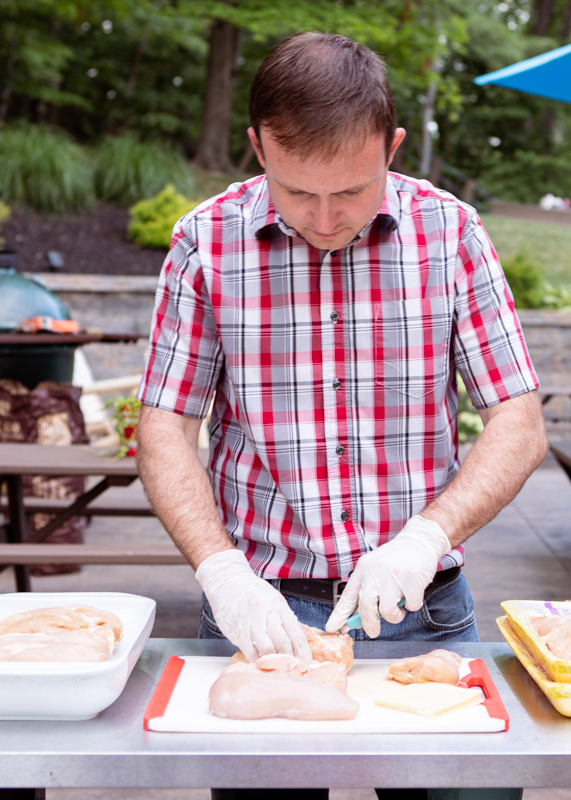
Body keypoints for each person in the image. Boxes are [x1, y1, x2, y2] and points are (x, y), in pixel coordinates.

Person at [135, 31, 546, 799]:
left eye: (352, 191)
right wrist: (222, 572)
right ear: (258, 146)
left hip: (422, 602)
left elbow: (518, 420)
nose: (325, 219)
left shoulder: (451, 233)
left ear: (391, 147)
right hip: (260, 611)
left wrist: (427, 537)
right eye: (297, 192)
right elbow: (164, 426)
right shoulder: (205, 243)